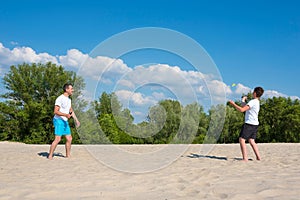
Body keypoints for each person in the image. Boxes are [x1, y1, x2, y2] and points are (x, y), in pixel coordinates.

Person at [229, 86, 264, 162]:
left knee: (242, 139)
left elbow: (242, 110)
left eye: (253, 92)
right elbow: (245, 107)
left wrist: (233, 104)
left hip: (249, 124)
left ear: (255, 93)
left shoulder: (252, 101)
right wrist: (243, 100)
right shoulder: (257, 102)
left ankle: (245, 158)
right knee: (251, 140)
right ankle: (258, 157)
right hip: (255, 124)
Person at [48, 83, 80, 159]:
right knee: (58, 139)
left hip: (65, 121)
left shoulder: (69, 100)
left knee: (69, 138)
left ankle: (68, 155)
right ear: (66, 89)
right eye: (71, 89)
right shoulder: (60, 98)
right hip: (58, 120)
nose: (73, 90)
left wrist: (76, 120)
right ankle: (50, 155)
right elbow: (55, 111)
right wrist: (65, 115)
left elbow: (71, 110)